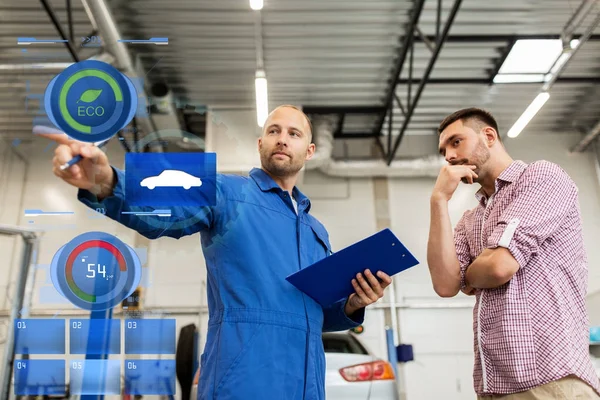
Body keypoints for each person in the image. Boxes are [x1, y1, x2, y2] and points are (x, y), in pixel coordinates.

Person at [41, 104, 393, 400]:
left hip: (307, 384)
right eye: (274, 131)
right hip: (242, 380)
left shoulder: (317, 230)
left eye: (294, 133)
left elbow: (316, 313)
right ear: (260, 144)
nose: (282, 138)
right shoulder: (226, 191)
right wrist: (107, 181)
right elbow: (168, 201)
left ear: (310, 151)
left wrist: (353, 303)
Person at [427, 107, 600, 399]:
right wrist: (439, 199)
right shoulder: (470, 219)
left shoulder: (541, 177)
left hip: (550, 379)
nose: (450, 156)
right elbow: (446, 284)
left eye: (456, 142)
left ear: (489, 136)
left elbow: (497, 267)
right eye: (444, 150)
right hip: (494, 385)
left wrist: (468, 276)